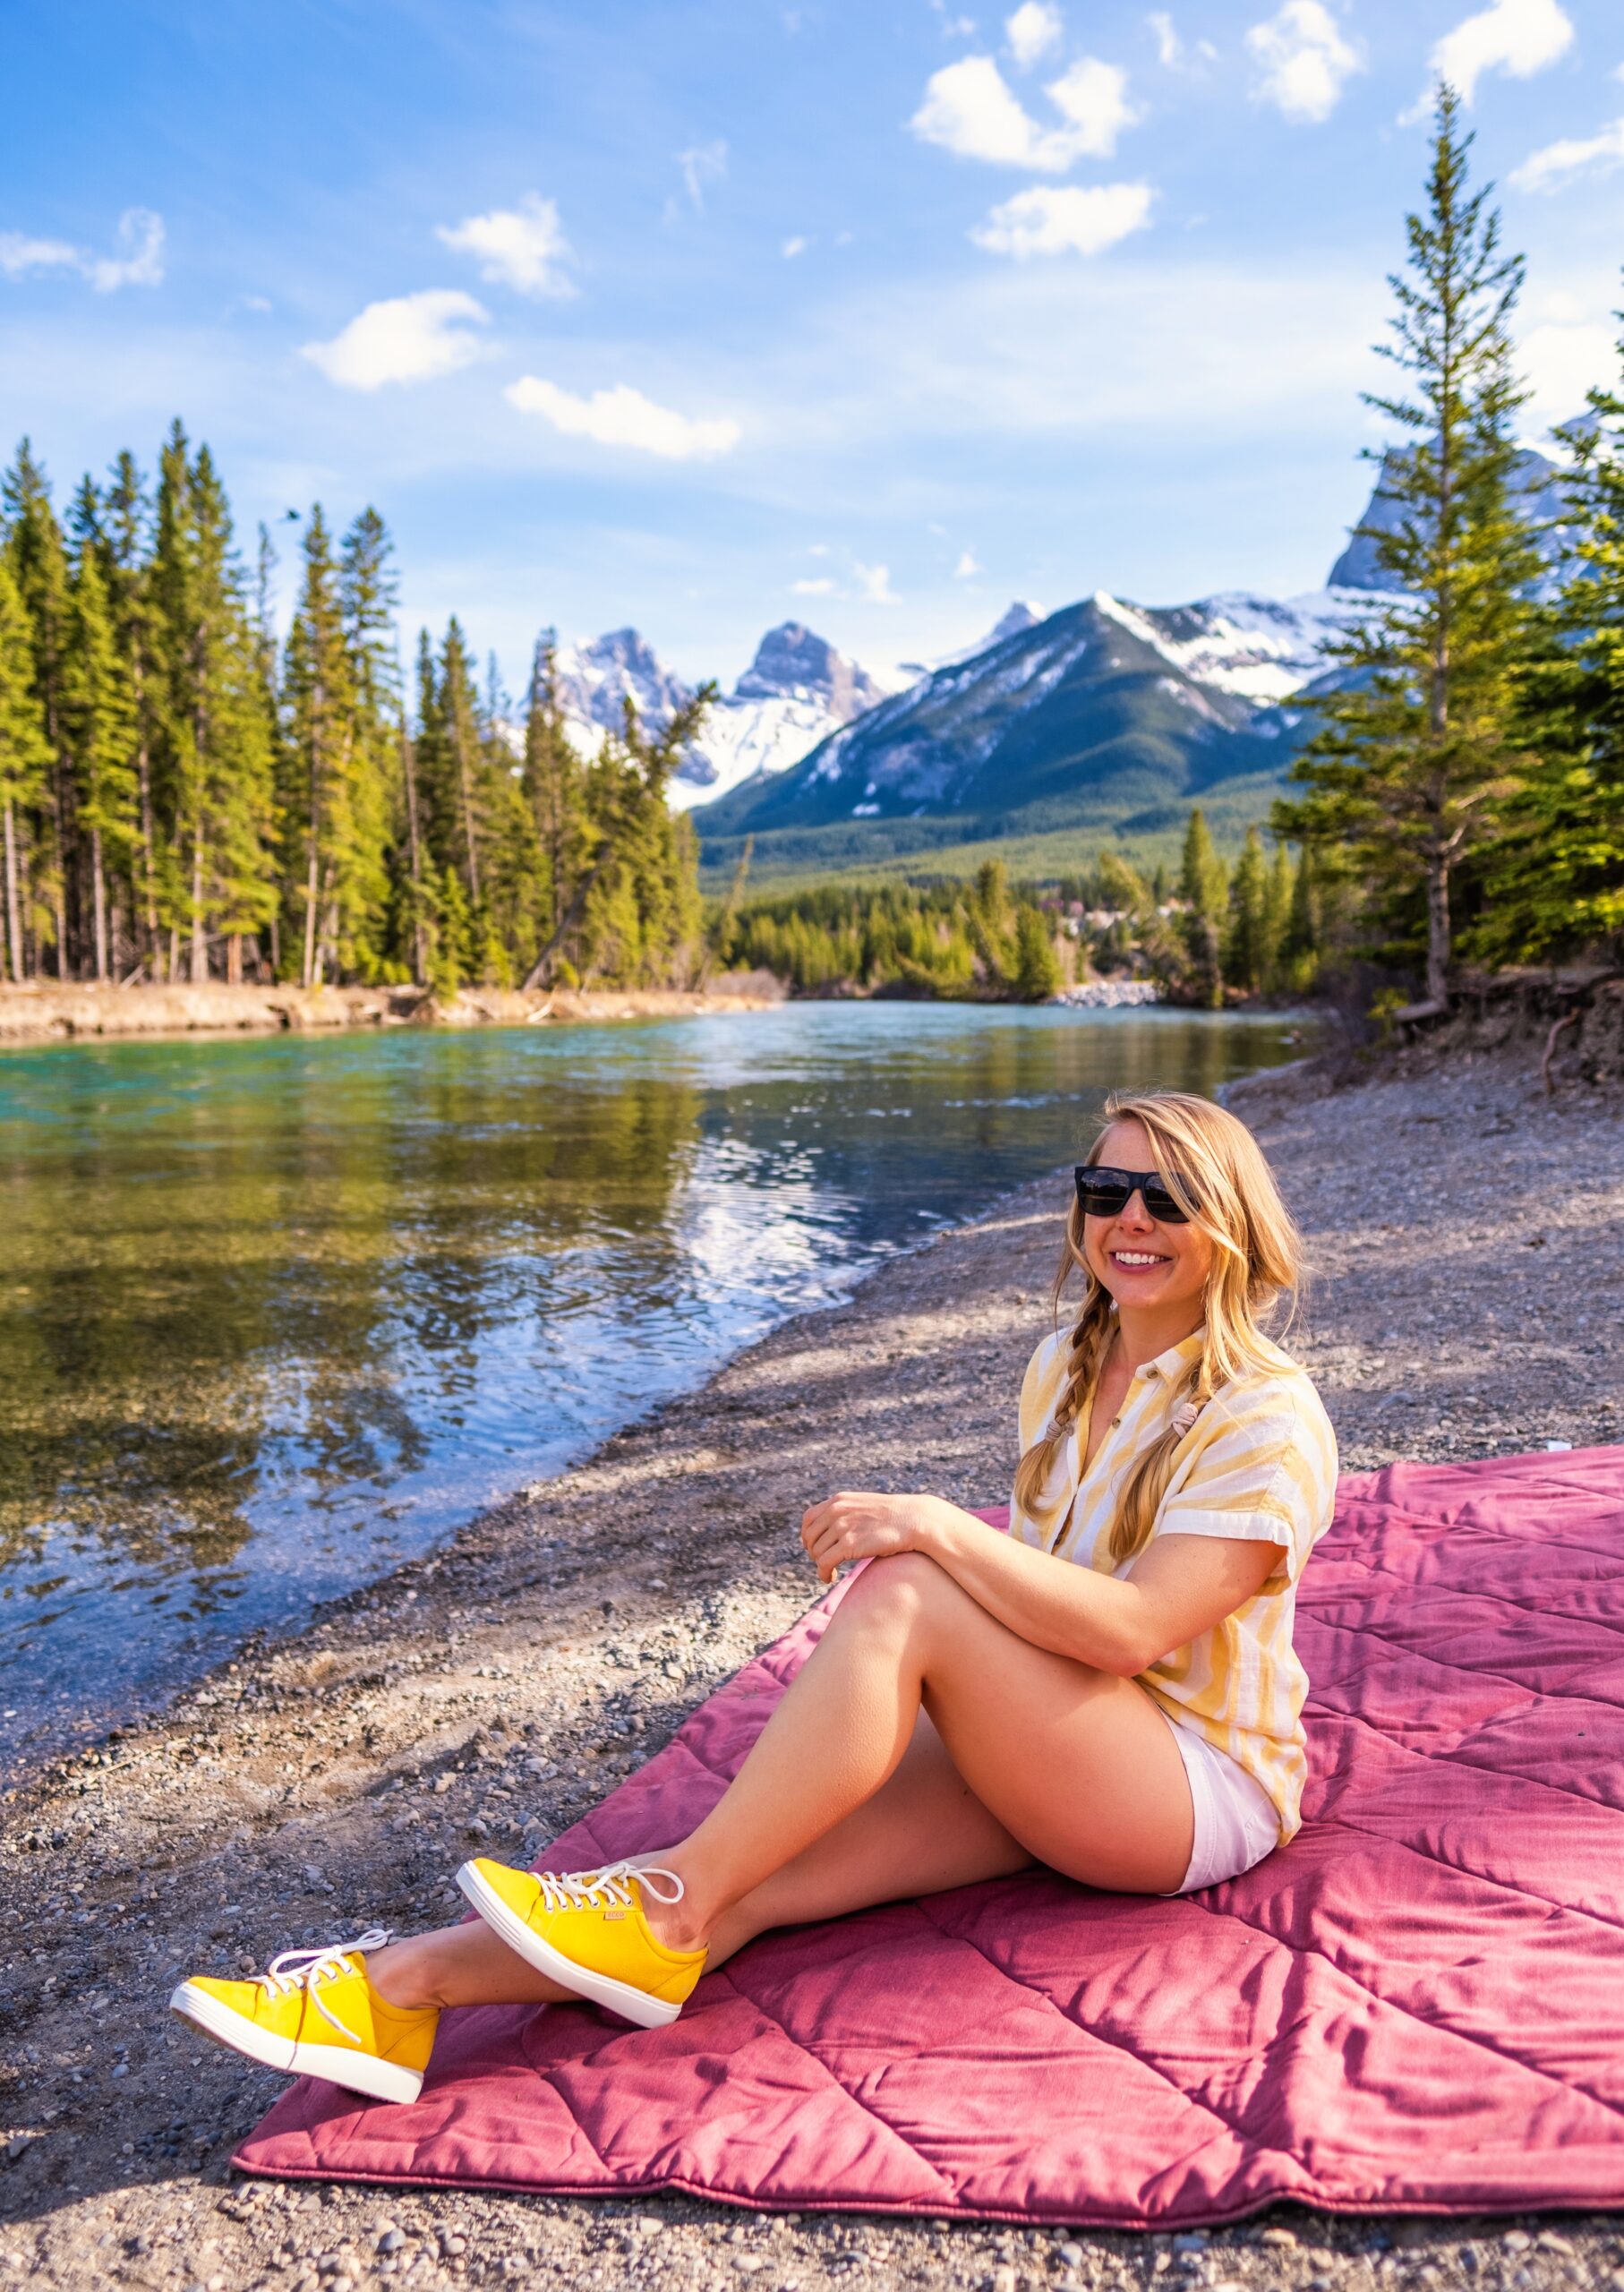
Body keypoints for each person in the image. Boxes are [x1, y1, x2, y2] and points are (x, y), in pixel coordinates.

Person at [170, 1089, 1338, 2105]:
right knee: (753, 1862)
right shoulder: (1063, 1369)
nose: (1131, 1218)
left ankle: (665, 1909)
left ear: (1228, 1226)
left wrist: (935, 1531)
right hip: (1073, 1735)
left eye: (1169, 1196)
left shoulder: (1260, 1412)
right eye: (1106, 1187)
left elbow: (1134, 1631)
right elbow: (1054, 1603)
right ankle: (397, 1989)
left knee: (909, 1590)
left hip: (1189, 1788)